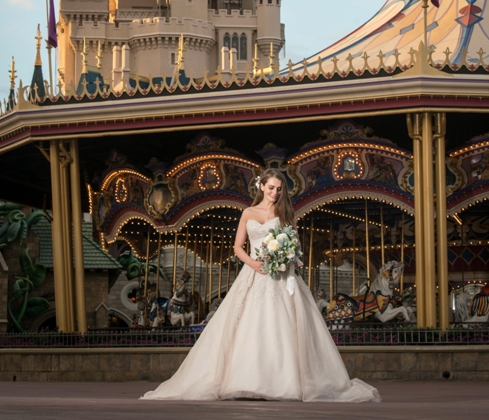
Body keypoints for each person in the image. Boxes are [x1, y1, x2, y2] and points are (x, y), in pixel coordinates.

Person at [141, 168, 380, 403]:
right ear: (261, 187)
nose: (275, 192)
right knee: (247, 325)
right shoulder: (248, 212)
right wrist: (254, 264)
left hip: (281, 277)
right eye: (271, 188)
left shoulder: (285, 212)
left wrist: (289, 258)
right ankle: (243, 381)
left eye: (278, 189)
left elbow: (296, 247)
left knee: (283, 326)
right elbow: (237, 247)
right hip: (254, 274)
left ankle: (285, 382)